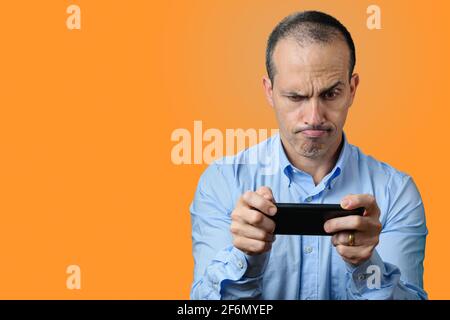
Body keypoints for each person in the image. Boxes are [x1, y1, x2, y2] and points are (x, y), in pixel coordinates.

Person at [189, 10, 427, 300]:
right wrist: (245, 260)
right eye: (295, 97)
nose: (313, 117)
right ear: (269, 91)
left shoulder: (396, 193)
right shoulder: (222, 182)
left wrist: (366, 266)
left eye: (330, 94)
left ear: (352, 90)